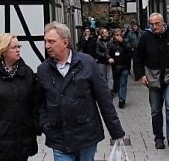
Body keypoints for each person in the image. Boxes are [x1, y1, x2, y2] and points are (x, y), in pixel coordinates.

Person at [37, 21, 125, 161]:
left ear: (65, 43)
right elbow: (40, 102)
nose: (47, 46)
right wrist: (44, 124)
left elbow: (104, 99)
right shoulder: (43, 70)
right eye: (46, 41)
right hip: (59, 135)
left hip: (86, 133)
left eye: (51, 41)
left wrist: (116, 131)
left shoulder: (87, 63)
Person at [134, 13, 169, 156]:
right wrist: (141, 75)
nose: (154, 27)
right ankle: (158, 137)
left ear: (162, 22)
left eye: (156, 24)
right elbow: (138, 57)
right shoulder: (146, 38)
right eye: (151, 24)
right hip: (153, 78)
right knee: (155, 109)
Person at [0, 33, 38, 161]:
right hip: (0, 140)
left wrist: (33, 126)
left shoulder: (27, 73)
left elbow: (35, 103)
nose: (18, 50)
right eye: (14, 47)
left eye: (19, 46)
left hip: (23, 138)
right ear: (3, 51)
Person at [108, 28, 131, 108]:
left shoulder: (126, 41)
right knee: (117, 83)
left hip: (124, 65)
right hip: (115, 66)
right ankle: (120, 94)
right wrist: (109, 58)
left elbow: (129, 50)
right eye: (117, 35)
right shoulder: (111, 43)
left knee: (123, 83)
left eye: (120, 35)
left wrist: (122, 42)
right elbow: (107, 52)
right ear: (114, 36)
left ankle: (122, 99)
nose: (118, 36)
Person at [94, 27, 115, 94]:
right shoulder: (99, 42)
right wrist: (105, 55)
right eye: (105, 32)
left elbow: (112, 49)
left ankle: (110, 89)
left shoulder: (110, 41)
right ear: (102, 34)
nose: (107, 33)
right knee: (103, 76)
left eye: (107, 32)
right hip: (102, 61)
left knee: (110, 75)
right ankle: (104, 89)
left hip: (109, 61)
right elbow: (97, 52)